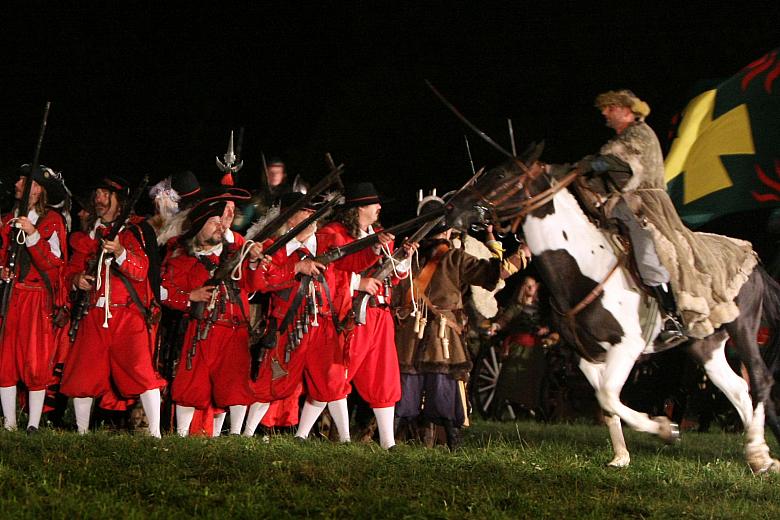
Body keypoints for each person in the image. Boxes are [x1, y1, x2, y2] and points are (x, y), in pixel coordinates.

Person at [545, 89, 756, 340]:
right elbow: (602, 172)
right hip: (620, 207)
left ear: (626, 110)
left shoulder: (640, 135)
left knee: (649, 259)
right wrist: (560, 171)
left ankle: (673, 317)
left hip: (646, 205)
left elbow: (623, 165)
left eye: (610, 108)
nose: (604, 114)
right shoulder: (616, 143)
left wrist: (594, 165)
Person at [394, 195, 527, 450]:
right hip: (443, 334)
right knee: (445, 386)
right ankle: (452, 443)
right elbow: (492, 274)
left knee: (409, 382)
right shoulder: (454, 256)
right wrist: (513, 257)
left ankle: (395, 439)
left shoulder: (407, 255)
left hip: (410, 331)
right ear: (447, 230)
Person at [60, 175, 166, 437]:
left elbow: (141, 271)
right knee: (83, 373)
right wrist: (76, 280)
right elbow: (70, 270)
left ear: (120, 201)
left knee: (142, 372)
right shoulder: (87, 234)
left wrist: (120, 252)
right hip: (94, 313)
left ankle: (155, 433)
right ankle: (82, 432)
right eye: (97, 193)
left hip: (128, 315)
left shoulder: (135, 232)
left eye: (106, 194)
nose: (99, 199)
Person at [242, 192, 353, 440]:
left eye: (313, 211)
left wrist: (378, 249)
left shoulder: (328, 243)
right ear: (290, 218)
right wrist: (295, 268)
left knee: (332, 382)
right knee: (272, 382)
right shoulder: (275, 247)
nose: (311, 216)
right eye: (304, 211)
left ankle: (345, 440)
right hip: (288, 327)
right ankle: (246, 435)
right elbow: (261, 282)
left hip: (323, 326)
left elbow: (354, 263)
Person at [160, 187, 267, 437]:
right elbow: (164, 292)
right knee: (191, 386)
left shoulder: (236, 253)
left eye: (224, 221)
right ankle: (182, 436)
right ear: (199, 225)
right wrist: (189, 297)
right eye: (214, 221)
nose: (221, 226)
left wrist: (252, 262)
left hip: (234, 331)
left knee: (235, 387)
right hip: (200, 331)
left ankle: (237, 436)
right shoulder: (182, 257)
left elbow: (255, 285)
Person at [314, 182, 404, 449]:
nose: (379, 208)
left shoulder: (379, 235)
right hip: (349, 313)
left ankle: (388, 442)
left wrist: (402, 259)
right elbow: (327, 271)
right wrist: (357, 283)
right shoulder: (332, 234)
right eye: (374, 203)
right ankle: (332, 436)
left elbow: (393, 278)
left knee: (383, 376)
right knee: (336, 373)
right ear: (359, 208)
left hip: (379, 313)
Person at [0, 164, 69, 433]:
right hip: (11, 296)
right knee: (5, 359)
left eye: (24, 180)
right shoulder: (7, 219)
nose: (17, 183)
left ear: (37, 189)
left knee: (35, 360)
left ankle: (33, 423)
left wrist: (32, 234)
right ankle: (9, 423)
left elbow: (54, 263)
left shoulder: (53, 221)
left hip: (37, 299)